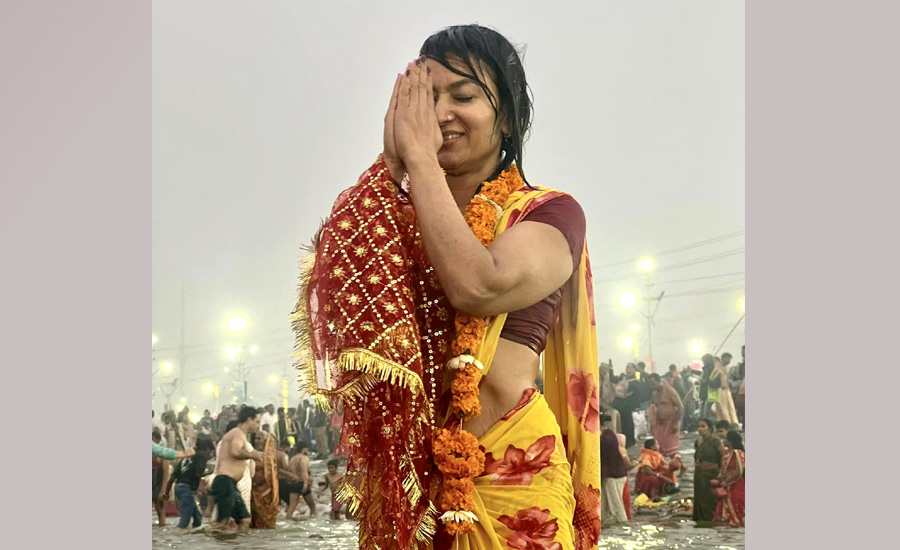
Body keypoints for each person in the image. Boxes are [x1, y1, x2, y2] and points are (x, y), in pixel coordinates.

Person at [292, 24, 599, 550]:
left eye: (463, 96)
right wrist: (392, 169)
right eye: (427, 98)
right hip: (412, 492)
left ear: (507, 118)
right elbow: (336, 310)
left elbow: (479, 285)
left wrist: (418, 163)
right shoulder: (392, 222)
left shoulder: (550, 214)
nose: (439, 115)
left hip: (513, 484)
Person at [208, 407, 264, 532]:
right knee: (222, 524)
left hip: (229, 483)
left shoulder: (240, 435)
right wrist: (252, 455)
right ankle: (194, 536)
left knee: (244, 520)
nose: (257, 425)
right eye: (256, 422)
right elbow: (235, 451)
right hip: (225, 482)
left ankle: (238, 543)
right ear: (249, 420)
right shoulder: (237, 433)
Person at [166, 437, 215, 534]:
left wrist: (166, 493)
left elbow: (173, 476)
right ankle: (177, 535)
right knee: (184, 523)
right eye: (210, 452)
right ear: (207, 449)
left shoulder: (187, 456)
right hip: (187, 489)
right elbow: (198, 473)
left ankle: (195, 533)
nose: (210, 455)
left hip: (178, 487)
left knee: (197, 517)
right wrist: (210, 472)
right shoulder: (201, 457)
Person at [600, 418, 629, 526]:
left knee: (616, 504)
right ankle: (606, 522)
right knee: (606, 504)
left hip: (613, 475)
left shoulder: (607, 436)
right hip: (609, 474)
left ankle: (622, 525)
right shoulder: (607, 435)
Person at [693, 418, 722, 523]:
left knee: (709, 499)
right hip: (699, 474)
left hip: (711, 475)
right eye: (698, 426)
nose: (700, 429)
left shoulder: (715, 441)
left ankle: (710, 521)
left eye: (703, 426)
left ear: (709, 429)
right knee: (699, 498)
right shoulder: (698, 442)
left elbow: (724, 457)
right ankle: (700, 521)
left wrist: (720, 472)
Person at [647, 373, 683, 457]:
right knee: (657, 449)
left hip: (671, 423)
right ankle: (661, 465)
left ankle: (679, 464)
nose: (652, 386)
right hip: (660, 424)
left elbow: (680, 406)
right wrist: (653, 425)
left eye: (653, 384)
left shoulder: (669, 391)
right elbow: (655, 409)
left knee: (672, 451)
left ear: (659, 381)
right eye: (650, 384)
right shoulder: (654, 393)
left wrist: (675, 423)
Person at [714, 430, 745, 527]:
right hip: (725, 486)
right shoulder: (726, 454)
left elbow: (739, 471)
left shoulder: (738, 453)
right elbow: (723, 470)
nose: (723, 441)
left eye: (725, 439)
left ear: (730, 441)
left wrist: (726, 482)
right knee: (724, 514)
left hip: (736, 486)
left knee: (736, 511)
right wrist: (720, 478)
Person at [250, 431, 280, 529]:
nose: (256, 441)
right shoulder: (252, 454)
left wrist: (257, 483)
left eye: (259, 439)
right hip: (253, 491)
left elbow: (271, 474)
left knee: (266, 518)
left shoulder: (269, 456)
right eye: (255, 438)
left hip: (265, 491)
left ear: (265, 441)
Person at [285, 441, 315, 519]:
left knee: (291, 507)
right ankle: (313, 520)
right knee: (312, 506)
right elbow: (303, 471)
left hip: (293, 484)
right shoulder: (304, 458)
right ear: (304, 449)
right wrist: (305, 484)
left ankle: (288, 521)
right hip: (302, 483)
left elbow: (289, 472)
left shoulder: (292, 459)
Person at [711, 356, 739, 427]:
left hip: (727, 390)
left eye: (729, 359)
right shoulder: (716, 368)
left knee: (730, 408)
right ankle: (725, 424)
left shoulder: (728, 368)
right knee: (722, 409)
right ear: (722, 358)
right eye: (727, 358)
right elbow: (712, 379)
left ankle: (733, 424)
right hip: (719, 390)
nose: (728, 360)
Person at [616, 433, 637, 520]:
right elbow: (628, 466)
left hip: (615, 476)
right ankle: (625, 516)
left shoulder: (611, 449)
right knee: (624, 497)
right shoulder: (621, 450)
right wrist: (635, 463)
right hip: (622, 476)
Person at [152, 431, 170, 526]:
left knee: (159, 506)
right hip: (152, 480)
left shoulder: (162, 453)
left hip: (158, 481)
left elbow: (166, 472)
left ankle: (162, 524)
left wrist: (163, 490)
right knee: (156, 505)